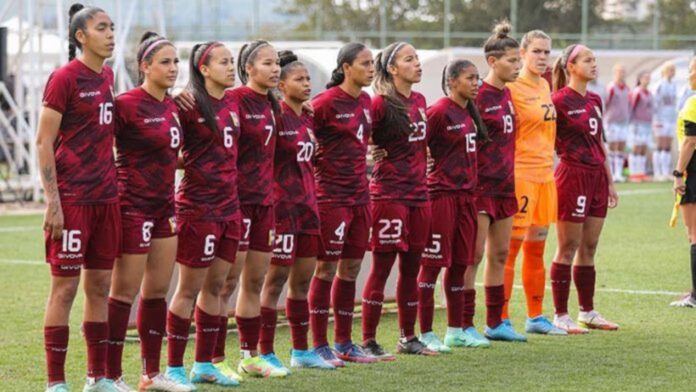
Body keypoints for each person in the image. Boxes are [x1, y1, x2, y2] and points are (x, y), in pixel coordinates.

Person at [37, 4, 121, 391]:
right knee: (65, 289)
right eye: (101, 28)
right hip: (72, 201)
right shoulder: (64, 78)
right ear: (80, 37)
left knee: (100, 289)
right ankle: (56, 383)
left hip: (107, 199)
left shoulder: (108, 76)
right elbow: (43, 141)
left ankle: (96, 378)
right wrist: (53, 202)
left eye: (112, 27)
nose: (110, 33)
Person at [106, 32, 192, 392]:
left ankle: (151, 374)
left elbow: (174, 156)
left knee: (157, 292)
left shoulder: (175, 106)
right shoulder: (125, 104)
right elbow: (97, 148)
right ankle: (108, 376)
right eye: (165, 62)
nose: (173, 69)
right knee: (123, 294)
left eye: (176, 62)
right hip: (132, 207)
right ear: (145, 66)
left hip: (165, 207)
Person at [164, 41, 241, 389]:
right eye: (223, 62)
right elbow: (165, 148)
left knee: (219, 286)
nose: (230, 67)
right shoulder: (187, 104)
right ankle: (174, 368)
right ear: (204, 69)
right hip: (198, 208)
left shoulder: (234, 103)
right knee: (188, 289)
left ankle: (205, 364)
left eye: (232, 61)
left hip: (230, 207)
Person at [256, 50, 335, 370]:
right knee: (274, 283)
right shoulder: (273, 117)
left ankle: (301, 351)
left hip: (308, 208)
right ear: (281, 85)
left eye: (308, 79)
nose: (307, 84)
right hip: (281, 210)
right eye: (299, 80)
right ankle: (264, 351)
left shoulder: (309, 117)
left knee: (302, 283)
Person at [214, 39, 285, 379]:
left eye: (277, 64)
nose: (275, 69)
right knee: (225, 283)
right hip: (236, 202)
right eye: (268, 63)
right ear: (248, 68)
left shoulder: (273, 103)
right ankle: (211, 359)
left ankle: (249, 355)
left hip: (264, 203)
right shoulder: (233, 100)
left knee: (254, 281)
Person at [360, 42, 435, 359]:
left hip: (420, 194)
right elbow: (359, 140)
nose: (417, 63)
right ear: (392, 68)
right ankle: (368, 341)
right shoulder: (379, 104)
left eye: (418, 57)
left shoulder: (419, 100)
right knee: (382, 268)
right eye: (409, 59)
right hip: (389, 195)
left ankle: (408, 337)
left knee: (412, 268)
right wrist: (367, 156)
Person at [308, 42, 377, 365]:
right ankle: (319, 344)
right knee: (325, 269)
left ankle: (345, 343)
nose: (371, 68)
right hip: (331, 198)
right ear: (346, 67)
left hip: (361, 197)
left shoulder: (366, 101)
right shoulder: (323, 103)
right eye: (365, 63)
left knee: (350, 269)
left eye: (373, 62)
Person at [417, 58, 491, 351]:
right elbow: (417, 145)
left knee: (462, 263)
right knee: (432, 266)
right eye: (470, 78)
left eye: (477, 78)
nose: (476, 83)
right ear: (452, 81)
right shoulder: (437, 112)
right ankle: (424, 332)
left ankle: (455, 329)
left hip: (466, 198)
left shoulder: (469, 113)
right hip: (441, 197)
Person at [550, 43, 620, 333]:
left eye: (594, 59)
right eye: (587, 60)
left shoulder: (595, 99)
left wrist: (610, 181)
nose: (594, 64)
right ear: (571, 66)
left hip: (596, 179)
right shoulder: (557, 100)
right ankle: (560, 315)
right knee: (568, 247)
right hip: (572, 176)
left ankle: (587, 311)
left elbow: (599, 143)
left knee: (590, 247)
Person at [504, 29, 566, 336]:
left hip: (545, 177)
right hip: (520, 176)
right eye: (537, 52)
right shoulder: (511, 86)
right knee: (509, 250)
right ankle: (499, 319)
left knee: (537, 249)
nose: (543, 58)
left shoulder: (544, 84)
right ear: (523, 53)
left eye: (547, 52)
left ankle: (535, 316)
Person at [470, 21, 527, 343]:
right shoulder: (478, 95)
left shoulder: (508, 96)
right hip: (480, 188)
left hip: (506, 187)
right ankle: (463, 325)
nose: (518, 66)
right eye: (512, 61)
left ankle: (496, 322)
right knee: (473, 256)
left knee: (501, 255)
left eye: (519, 60)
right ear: (492, 62)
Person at [671, 57, 696, 308]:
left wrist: (678, 173)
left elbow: (690, 141)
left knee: (694, 234)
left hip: (694, 172)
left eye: (690, 70)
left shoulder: (693, 102)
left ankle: (695, 296)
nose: (688, 74)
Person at [605, 64, 631, 183]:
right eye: (619, 72)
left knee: (621, 147)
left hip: (623, 122)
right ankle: (611, 174)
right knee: (612, 147)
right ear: (615, 73)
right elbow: (606, 104)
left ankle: (618, 173)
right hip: (612, 121)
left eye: (623, 72)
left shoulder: (627, 88)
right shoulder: (611, 88)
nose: (622, 74)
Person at [653, 62, 678, 181]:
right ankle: (658, 173)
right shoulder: (660, 85)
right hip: (661, 119)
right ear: (664, 71)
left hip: (671, 119)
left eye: (673, 70)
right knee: (660, 145)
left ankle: (666, 172)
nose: (672, 72)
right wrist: (656, 119)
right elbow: (655, 104)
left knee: (667, 146)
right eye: (670, 70)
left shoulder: (674, 85)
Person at [628, 71, 654, 182]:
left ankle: (641, 172)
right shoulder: (637, 92)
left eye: (649, 78)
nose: (647, 80)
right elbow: (630, 107)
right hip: (637, 123)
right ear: (640, 79)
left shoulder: (649, 93)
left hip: (647, 124)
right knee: (636, 147)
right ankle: (634, 173)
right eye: (645, 78)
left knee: (643, 147)